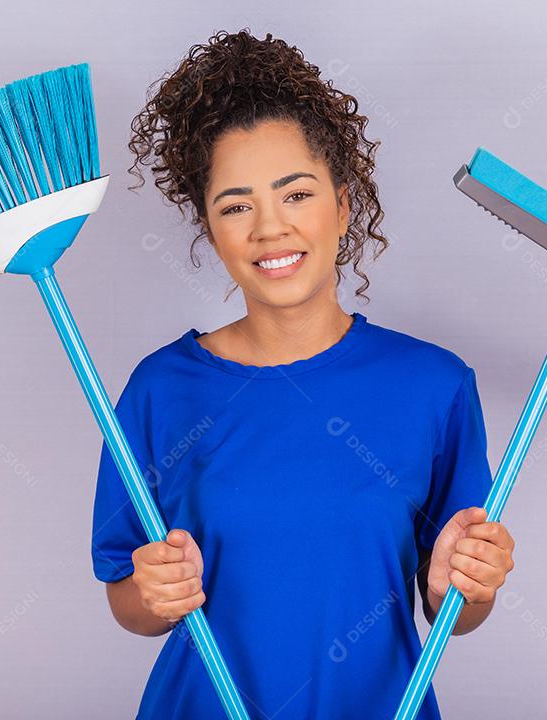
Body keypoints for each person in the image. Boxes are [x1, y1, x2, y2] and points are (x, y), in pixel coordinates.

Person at [91, 29, 516, 719]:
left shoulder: (433, 387)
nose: (269, 228)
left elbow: (455, 613)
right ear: (211, 229)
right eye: (236, 206)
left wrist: (460, 590)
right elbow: (127, 598)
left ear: (343, 206)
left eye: (295, 194)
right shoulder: (161, 389)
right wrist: (153, 594)